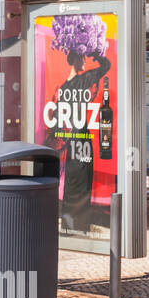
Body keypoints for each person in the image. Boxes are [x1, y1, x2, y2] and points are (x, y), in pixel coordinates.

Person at [54, 45, 111, 234]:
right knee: (81, 184)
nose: (86, 61)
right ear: (76, 60)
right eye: (84, 58)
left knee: (72, 184)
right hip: (82, 139)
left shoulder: (63, 88)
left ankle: (70, 226)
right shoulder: (82, 80)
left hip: (72, 141)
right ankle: (79, 226)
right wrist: (95, 52)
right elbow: (106, 65)